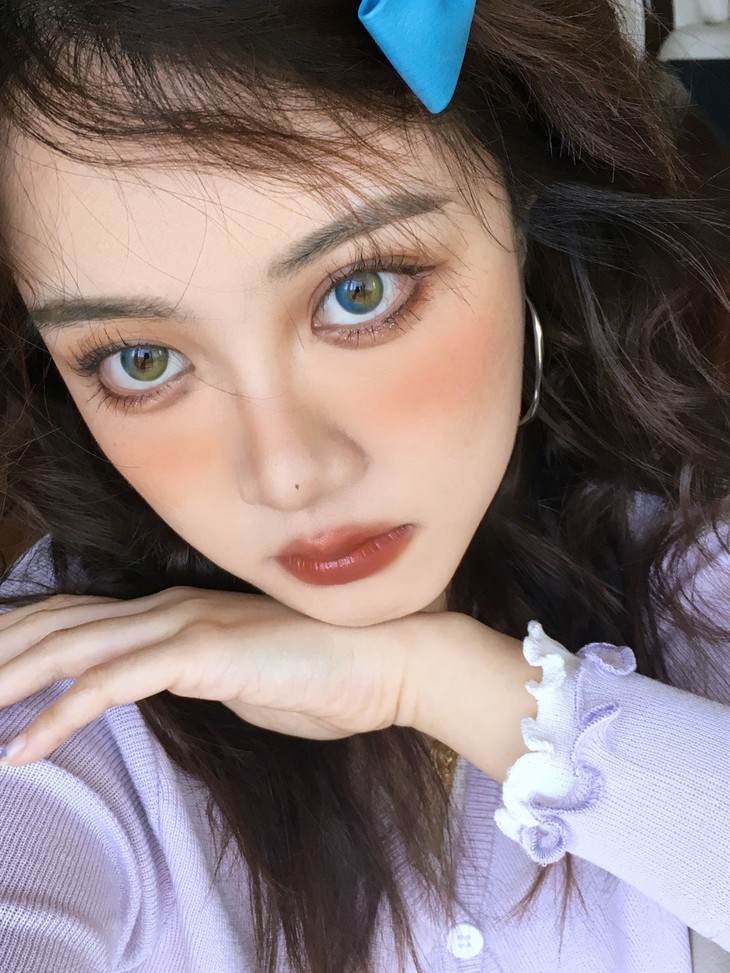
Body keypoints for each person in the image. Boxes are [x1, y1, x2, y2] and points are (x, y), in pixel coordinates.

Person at [0, 1, 728, 971]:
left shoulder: (688, 552)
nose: (288, 472)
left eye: (360, 291)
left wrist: (437, 681)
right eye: (141, 359)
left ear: (517, 214)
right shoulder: (56, 707)